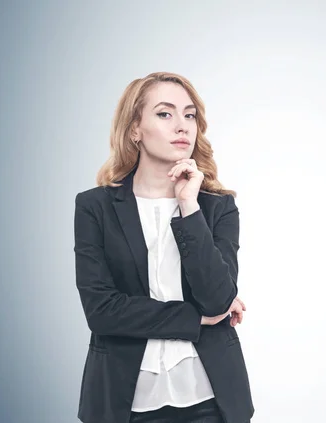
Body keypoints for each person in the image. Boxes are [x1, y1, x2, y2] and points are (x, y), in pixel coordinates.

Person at [73, 72, 254, 423]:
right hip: (124, 402)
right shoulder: (94, 207)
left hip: (212, 400)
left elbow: (218, 298)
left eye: (190, 115)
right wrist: (196, 317)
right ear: (134, 129)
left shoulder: (217, 207)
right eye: (165, 113)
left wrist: (189, 206)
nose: (182, 126)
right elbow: (102, 311)